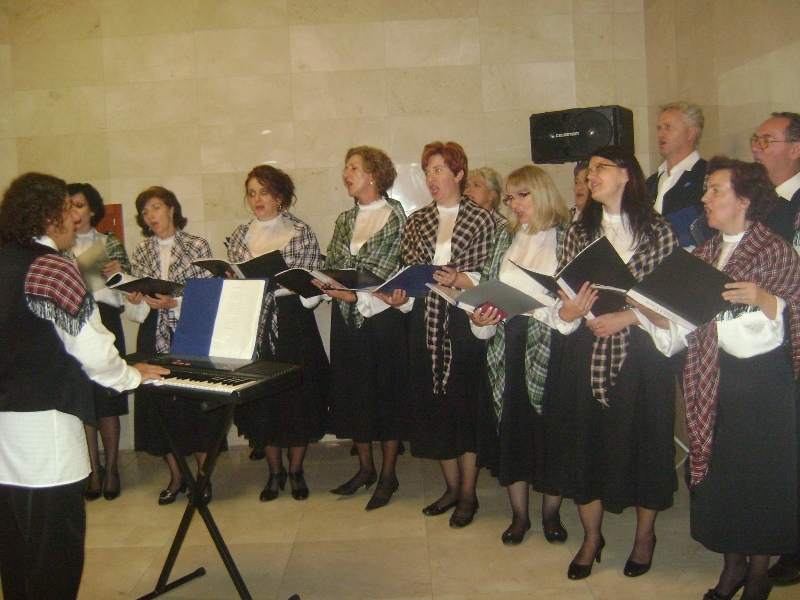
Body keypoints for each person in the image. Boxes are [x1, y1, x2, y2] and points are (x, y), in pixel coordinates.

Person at [0, 172, 167, 599]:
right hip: (46, 435)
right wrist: (131, 375)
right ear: (48, 215)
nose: (74, 219)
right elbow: (92, 351)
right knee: (54, 558)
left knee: (15, 551)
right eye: (65, 209)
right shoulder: (52, 266)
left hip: (4, 435)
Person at [639, 157, 799, 600]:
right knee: (724, 477)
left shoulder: (775, 251)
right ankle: (733, 566)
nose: (704, 198)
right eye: (706, 189)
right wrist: (658, 316)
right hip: (713, 382)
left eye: (715, 190)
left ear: (744, 199)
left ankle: (759, 572)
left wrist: (766, 300)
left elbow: (785, 321)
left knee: (759, 478)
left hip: (762, 386)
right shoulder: (704, 253)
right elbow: (685, 329)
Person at [547, 146, 679, 580]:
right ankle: (592, 537)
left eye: (600, 168)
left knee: (645, 445)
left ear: (626, 174)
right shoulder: (578, 230)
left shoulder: (658, 231)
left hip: (642, 354)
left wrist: (629, 316)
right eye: (588, 170)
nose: (591, 175)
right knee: (585, 445)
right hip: (587, 348)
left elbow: (672, 300)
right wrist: (569, 311)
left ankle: (645, 536)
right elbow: (564, 293)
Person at [381, 141, 495, 527]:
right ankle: (451, 488)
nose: (431, 178)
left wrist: (460, 278)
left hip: (465, 325)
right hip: (425, 324)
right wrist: (399, 297)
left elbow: (492, 276)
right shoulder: (417, 221)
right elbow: (407, 272)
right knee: (435, 410)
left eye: (439, 170)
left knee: (464, 409)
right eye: (428, 171)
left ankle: (469, 494)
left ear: (459, 174)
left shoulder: (484, 220)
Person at [469, 165, 571, 545]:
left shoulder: (567, 236)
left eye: (522, 195)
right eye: (510, 197)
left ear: (542, 192)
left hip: (552, 345)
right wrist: (480, 317)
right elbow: (487, 287)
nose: (514, 204)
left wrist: (536, 308)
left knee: (552, 432)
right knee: (513, 430)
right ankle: (519, 516)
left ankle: (551, 514)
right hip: (508, 343)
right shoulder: (505, 236)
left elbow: (573, 303)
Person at [228, 165, 330, 502]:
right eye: (252, 193)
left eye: (264, 192)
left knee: (297, 398)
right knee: (263, 402)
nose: (257, 199)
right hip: (255, 326)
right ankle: (274, 472)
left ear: (280, 197)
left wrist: (288, 285)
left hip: (292, 322)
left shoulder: (301, 232)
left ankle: (296, 470)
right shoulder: (240, 235)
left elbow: (312, 286)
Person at [319, 146, 409, 510]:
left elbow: (386, 272)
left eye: (353, 167)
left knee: (386, 395)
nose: (346, 173)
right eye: (346, 167)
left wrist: (352, 289)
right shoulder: (345, 219)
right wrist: (336, 286)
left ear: (374, 174)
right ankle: (366, 468)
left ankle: (388, 474)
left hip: (383, 319)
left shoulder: (397, 216)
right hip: (346, 317)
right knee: (354, 393)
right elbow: (335, 261)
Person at [125, 186, 219, 505]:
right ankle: (176, 475)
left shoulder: (196, 245)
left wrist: (174, 303)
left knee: (196, 404)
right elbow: (136, 310)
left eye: (155, 208)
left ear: (171, 209)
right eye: (144, 212)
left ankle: (203, 477)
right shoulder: (141, 251)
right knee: (160, 407)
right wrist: (135, 300)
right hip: (153, 333)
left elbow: (207, 297)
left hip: (189, 331)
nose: (150, 216)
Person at [63, 182, 131, 501]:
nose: (74, 212)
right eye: (69, 206)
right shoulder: (58, 245)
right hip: (73, 322)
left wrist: (119, 273)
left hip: (106, 318)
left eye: (79, 205)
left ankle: (112, 468)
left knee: (107, 398)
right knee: (84, 400)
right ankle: (93, 469)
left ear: (92, 209)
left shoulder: (109, 242)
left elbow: (128, 286)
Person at [645, 102, 708, 246]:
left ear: (691, 133)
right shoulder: (650, 183)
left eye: (668, 127)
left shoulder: (708, 175)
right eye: (659, 128)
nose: (660, 134)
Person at [465, 166, 508, 232]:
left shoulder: (502, 227)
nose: (468, 190)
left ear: (491, 195)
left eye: (476, 185)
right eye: (467, 186)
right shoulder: (460, 220)